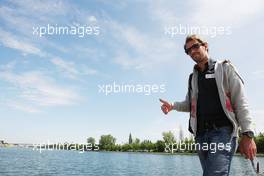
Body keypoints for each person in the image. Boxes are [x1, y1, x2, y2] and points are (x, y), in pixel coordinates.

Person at [159, 34, 257, 176]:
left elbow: (240, 101)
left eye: (195, 46)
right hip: (200, 136)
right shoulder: (193, 78)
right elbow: (189, 105)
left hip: (223, 132)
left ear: (205, 46)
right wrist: (173, 105)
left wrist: (247, 134)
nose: (192, 51)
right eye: (188, 51)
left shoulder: (225, 68)